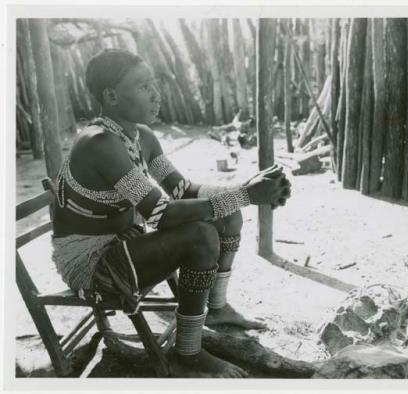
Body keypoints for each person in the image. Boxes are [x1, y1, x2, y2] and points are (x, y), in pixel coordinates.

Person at [51, 48, 292, 378]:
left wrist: (245, 189)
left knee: (227, 213)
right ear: (111, 96)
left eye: (154, 84)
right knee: (201, 235)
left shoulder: (141, 136)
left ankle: (217, 310)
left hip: (125, 244)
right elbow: (161, 215)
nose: (155, 94)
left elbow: (182, 190)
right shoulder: (100, 143)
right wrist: (246, 196)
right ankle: (187, 355)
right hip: (92, 265)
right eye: (143, 86)